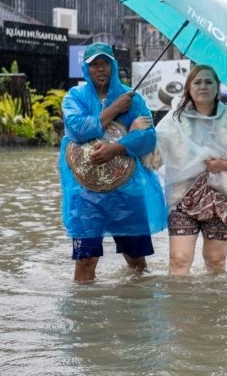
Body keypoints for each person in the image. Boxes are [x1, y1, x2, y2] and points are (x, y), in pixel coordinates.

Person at [58, 42, 166, 282]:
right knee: (85, 260)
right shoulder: (74, 97)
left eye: (104, 63)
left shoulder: (133, 99)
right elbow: (77, 130)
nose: (100, 69)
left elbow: (148, 138)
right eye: (94, 64)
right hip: (85, 193)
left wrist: (116, 148)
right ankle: (85, 306)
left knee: (136, 261)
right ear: (86, 69)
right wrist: (117, 110)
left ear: (113, 66)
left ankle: (135, 302)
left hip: (128, 192)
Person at [143, 65, 227, 275]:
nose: (203, 86)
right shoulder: (175, 119)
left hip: (222, 200)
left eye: (208, 82)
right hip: (182, 199)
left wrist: (224, 165)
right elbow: (153, 158)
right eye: (197, 82)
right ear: (188, 88)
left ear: (217, 87)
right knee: (178, 260)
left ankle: (214, 298)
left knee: (215, 262)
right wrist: (142, 134)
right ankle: (178, 297)